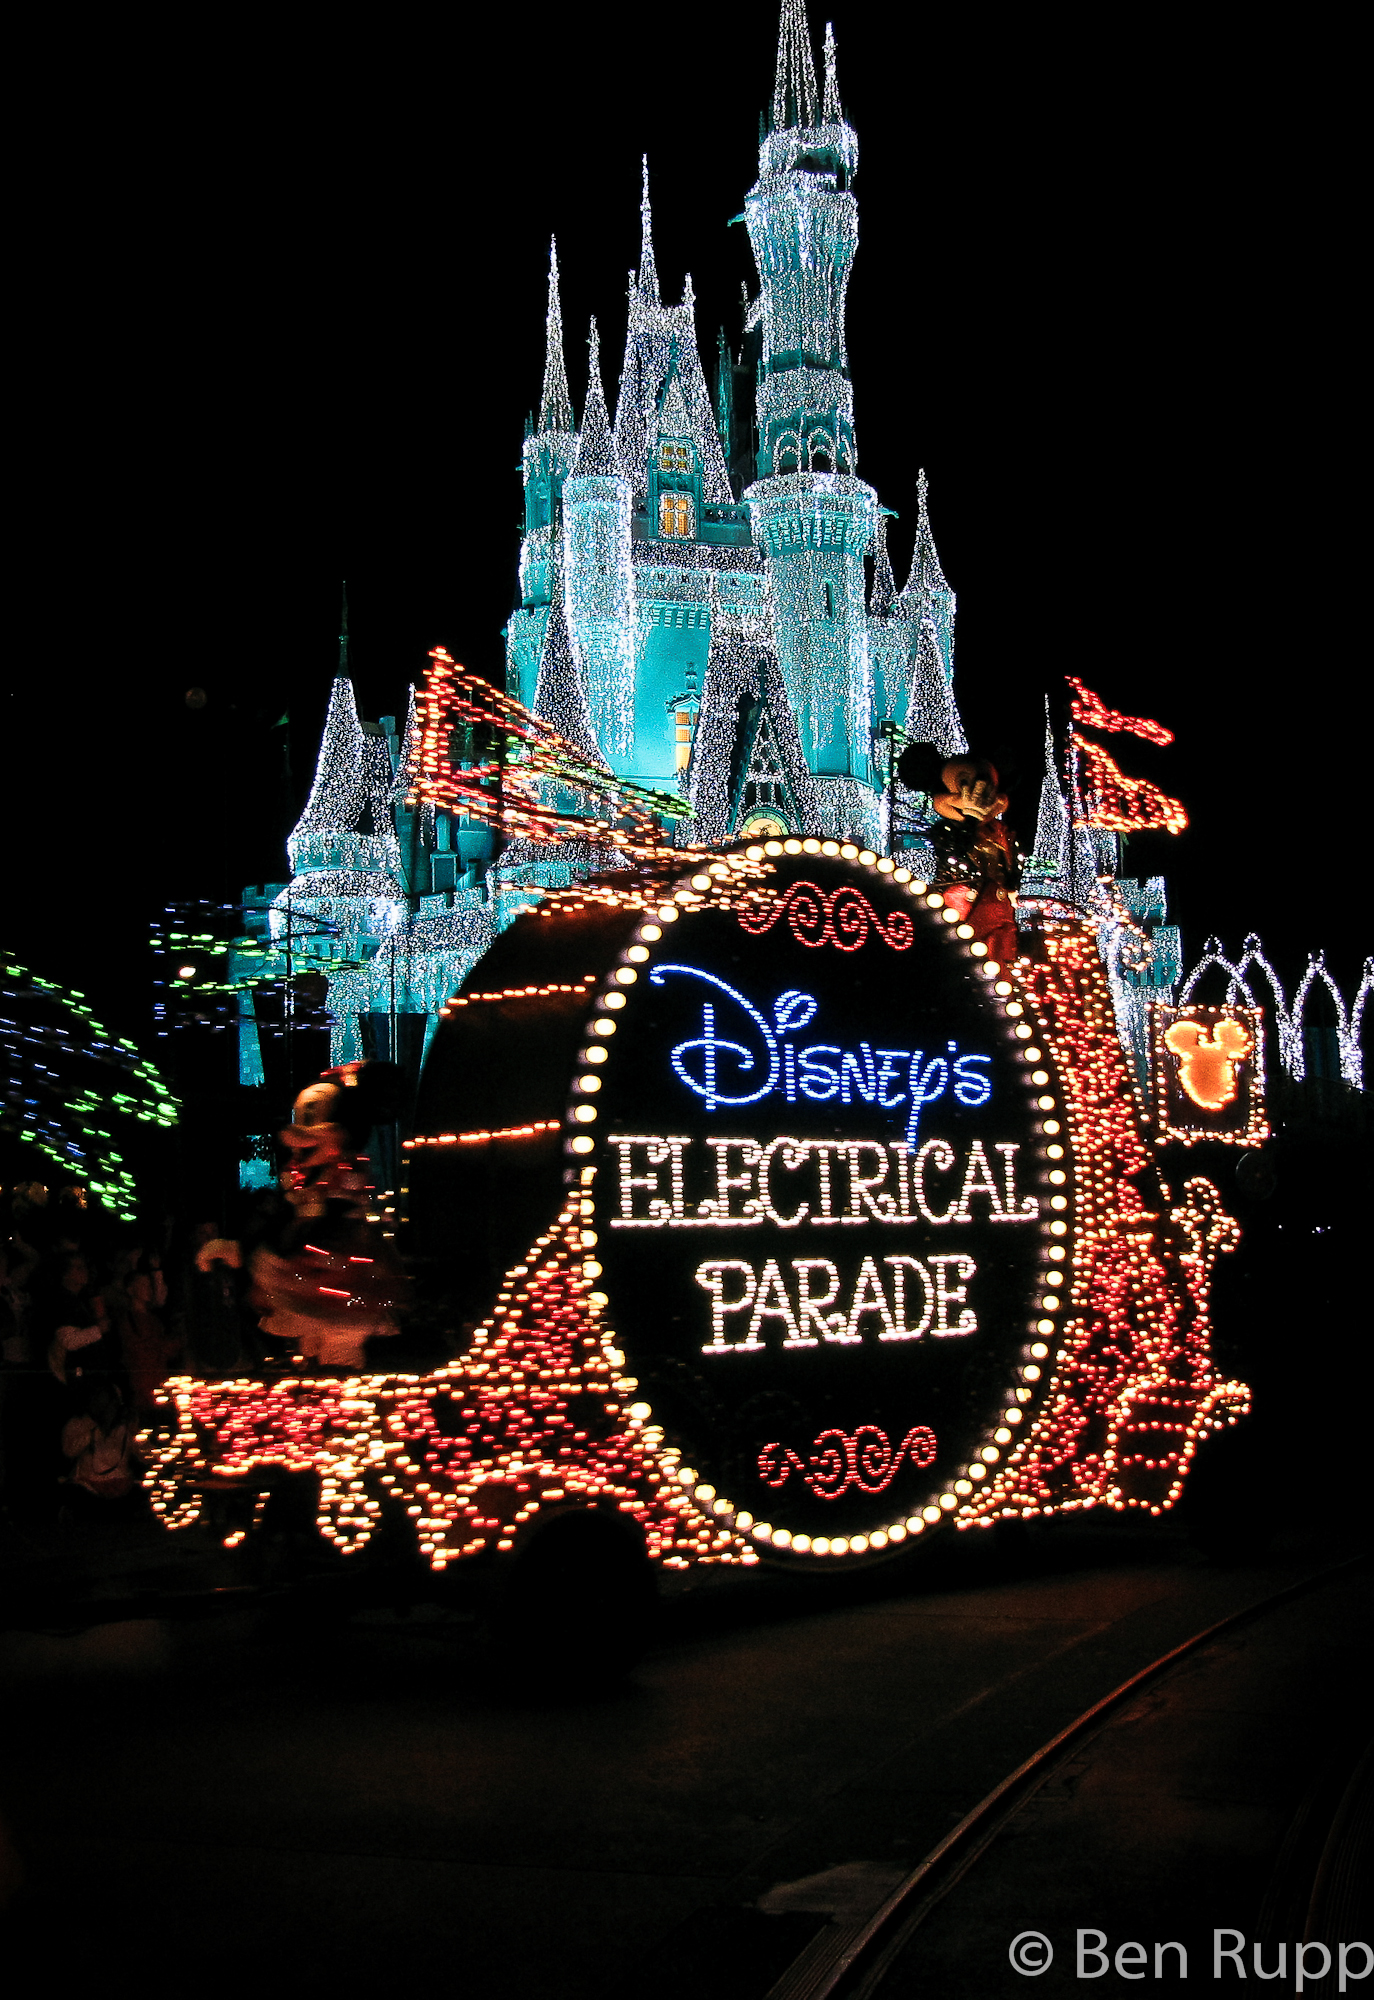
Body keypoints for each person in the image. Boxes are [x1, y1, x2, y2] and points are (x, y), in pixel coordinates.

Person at [198, 1061, 408, 1370]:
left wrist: (297, 1234)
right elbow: (280, 1217)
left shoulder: (345, 1175)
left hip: (339, 1269)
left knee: (339, 1338)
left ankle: (340, 1388)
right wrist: (246, 1247)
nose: (301, 1145)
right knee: (310, 1336)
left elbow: (333, 1220)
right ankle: (316, 1380)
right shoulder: (299, 1178)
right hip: (304, 1266)